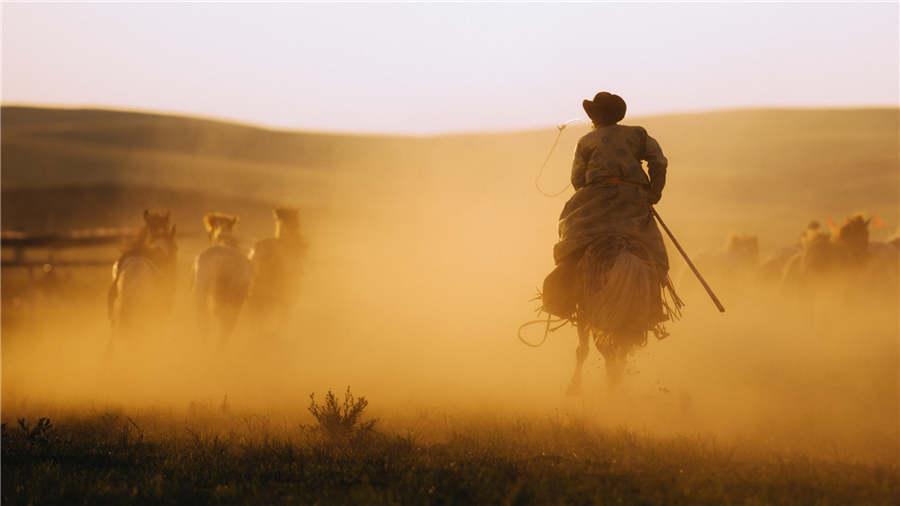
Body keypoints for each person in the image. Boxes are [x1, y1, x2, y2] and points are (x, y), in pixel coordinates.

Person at [553, 92, 682, 389]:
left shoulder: (586, 142)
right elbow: (659, 161)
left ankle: (563, 294)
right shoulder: (638, 135)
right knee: (654, 254)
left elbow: (577, 179)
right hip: (633, 203)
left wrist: (593, 189)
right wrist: (652, 192)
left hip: (594, 202)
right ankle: (653, 305)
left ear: (594, 118)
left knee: (570, 240)